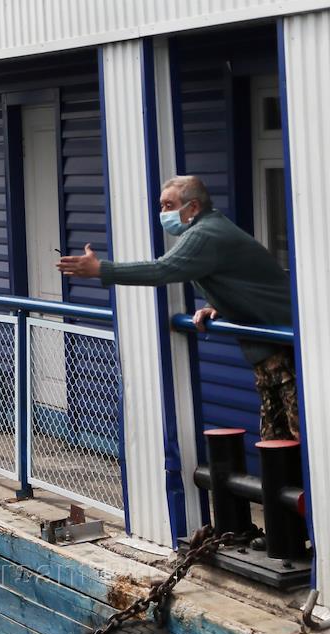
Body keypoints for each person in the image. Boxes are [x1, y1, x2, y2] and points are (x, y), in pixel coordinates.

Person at [57, 174, 297, 439]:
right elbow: (240, 277)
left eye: (169, 205)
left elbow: (162, 270)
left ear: (193, 207)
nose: (163, 212)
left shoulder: (205, 234)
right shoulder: (209, 228)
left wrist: (101, 269)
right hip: (270, 350)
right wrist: (216, 305)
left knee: (300, 434)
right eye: (161, 206)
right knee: (277, 441)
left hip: (288, 345)